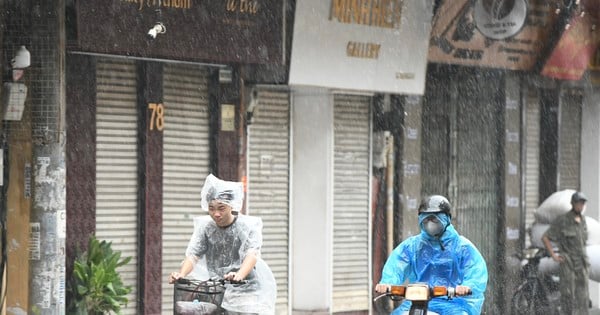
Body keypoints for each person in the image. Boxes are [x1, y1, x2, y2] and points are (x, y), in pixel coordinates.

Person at [169, 174, 277, 315]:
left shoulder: (247, 227)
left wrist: (239, 275)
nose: (216, 214)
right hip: (219, 289)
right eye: (211, 208)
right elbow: (194, 255)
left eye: (221, 208)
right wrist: (181, 274)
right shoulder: (206, 228)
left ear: (231, 206)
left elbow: (252, 254)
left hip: (248, 290)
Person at [375, 195, 488, 315]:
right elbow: (396, 265)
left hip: (454, 304)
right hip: (417, 301)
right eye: (426, 220)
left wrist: (467, 286)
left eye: (434, 220)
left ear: (447, 219)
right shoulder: (412, 246)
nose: (430, 224)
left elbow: (475, 271)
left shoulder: (462, 247)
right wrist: (387, 282)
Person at [542, 191, 590, 315]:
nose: (581, 206)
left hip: (582, 264)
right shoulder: (563, 220)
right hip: (568, 264)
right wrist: (554, 255)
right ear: (573, 203)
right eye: (579, 203)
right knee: (568, 296)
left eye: (583, 204)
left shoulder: (583, 220)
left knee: (583, 297)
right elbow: (545, 237)